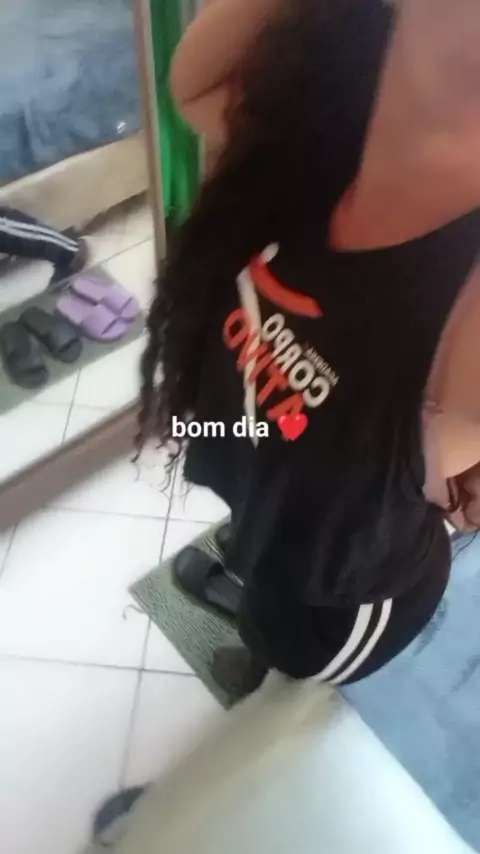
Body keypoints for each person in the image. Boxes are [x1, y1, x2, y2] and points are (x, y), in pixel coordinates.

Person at [138, 0, 480, 698]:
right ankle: (254, 565)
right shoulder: (323, 112)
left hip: (341, 603)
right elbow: (196, 83)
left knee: (282, 641)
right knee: (266, 530)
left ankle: (268, 652)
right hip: (279, 485)